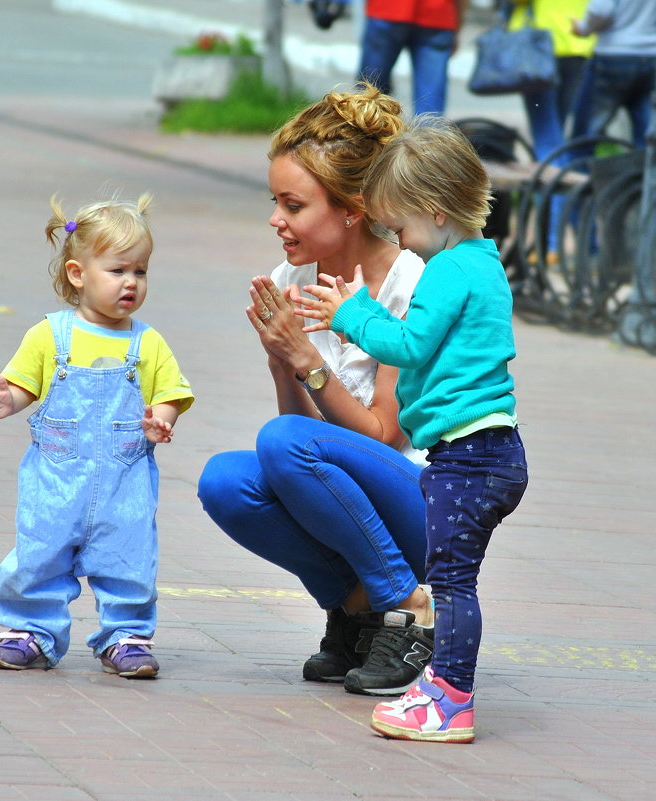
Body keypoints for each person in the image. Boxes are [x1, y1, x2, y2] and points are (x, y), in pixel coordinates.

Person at [294, 115, 528, 743]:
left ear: (435, 211)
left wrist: (350, 313)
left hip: (469, 455)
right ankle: (444, 687)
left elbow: (408, 345)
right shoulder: (484, 261)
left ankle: (451, 697)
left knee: (451, 583)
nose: (400, 244)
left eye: (400, 227)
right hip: (493, 449)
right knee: (453, 577)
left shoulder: (445, 271)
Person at [197, 84, 435, 697]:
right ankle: (356, 613)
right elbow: (300, 445)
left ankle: (407, 609)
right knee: (225, 481)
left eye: (294, 205)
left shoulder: (412, 284)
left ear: (352, 208)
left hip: (421, 504)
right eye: (274, 201)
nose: (277, 220)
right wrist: (283, 367)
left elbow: (385, 435)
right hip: (351, 492)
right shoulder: (293, 276)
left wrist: (306, 360)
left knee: (281, 441)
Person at [0, 193, 194, 678]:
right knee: (39, 554)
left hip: (124, 482)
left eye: (141, 271)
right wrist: (4, 402)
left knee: (129, 561)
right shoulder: (49, 335)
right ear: (78, 274)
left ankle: (126, 636)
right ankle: (29, 631)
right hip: (55, 480)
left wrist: (164, 418)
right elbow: (24, 387)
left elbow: (171, 392)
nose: (131, 283)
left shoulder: (147, 343)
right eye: (118, 271)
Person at [509, 0, 595, 259]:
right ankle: (577, 241)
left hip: (540, 42)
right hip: (578, 43)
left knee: (549, 144)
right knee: (558, 141)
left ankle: (552, 243)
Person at [569, 0, 656, 150]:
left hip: (614, 52)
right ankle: (645, 171)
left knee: (586, 134)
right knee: (647, 133)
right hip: (653, 55)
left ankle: (579, 168)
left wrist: (583, 28)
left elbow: (601, 10)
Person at [357, 0, 467, 115]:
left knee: (368, 95)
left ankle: (362, 127)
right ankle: (429, 130)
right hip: (437, 13)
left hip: (387, 9)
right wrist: (458, 23)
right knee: (430, 106)